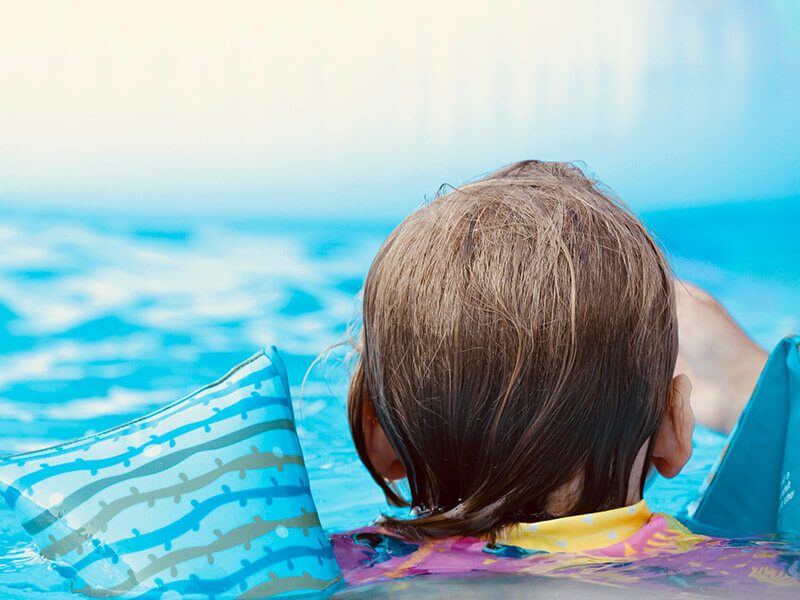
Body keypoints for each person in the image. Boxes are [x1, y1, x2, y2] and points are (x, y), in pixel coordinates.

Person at [331, 161, 796, 593]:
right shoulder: (736, 576)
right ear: (675, 429)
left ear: (377, 432)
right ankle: (742, 384)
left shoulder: (341, 569)